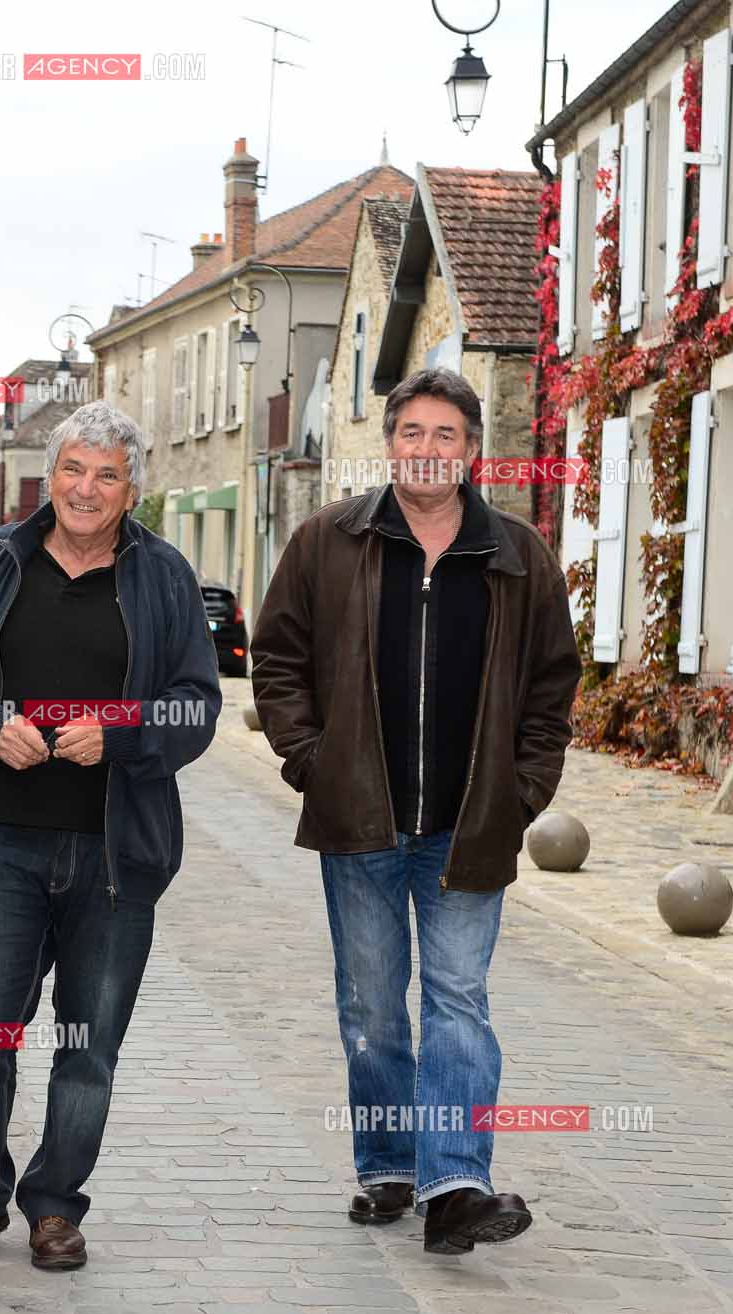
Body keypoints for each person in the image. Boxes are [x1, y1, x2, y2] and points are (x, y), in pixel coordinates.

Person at [250, 367, 578, 1255]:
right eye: (412, 434)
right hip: (359, 820)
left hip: (470, 825)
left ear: (472, 453)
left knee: (458, 1001)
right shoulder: (330, 541)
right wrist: (311, 761)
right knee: (373, 1009)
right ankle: (390, 1165)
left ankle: (455, 1185)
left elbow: (553, 684)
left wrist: (524, 790)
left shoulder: (518, 556)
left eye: (446, 436)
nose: (427, 451)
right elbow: (275, 656)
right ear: (389, 443)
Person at [0, 400, 219, 1271]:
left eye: (108, 475)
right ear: (49, 478)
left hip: (116, 856)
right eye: (73, 471)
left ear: (132, 490)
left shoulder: (162, 578)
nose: (87, 489)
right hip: (2, 841)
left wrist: (121, 732)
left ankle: (54, 1205)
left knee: (89, 1047)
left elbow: (197, 705)